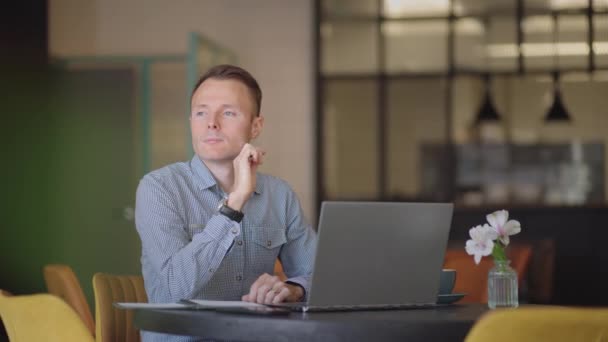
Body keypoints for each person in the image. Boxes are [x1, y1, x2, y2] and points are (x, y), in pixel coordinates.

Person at [135, 64, 317, 341]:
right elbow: (176, 286)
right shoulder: (158, 188)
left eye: (228, 112)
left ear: (256, 126)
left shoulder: (279, 195)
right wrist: (235, 203)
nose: (212, 123)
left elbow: (318, 274)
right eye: (201, 113)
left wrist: (293, 289)